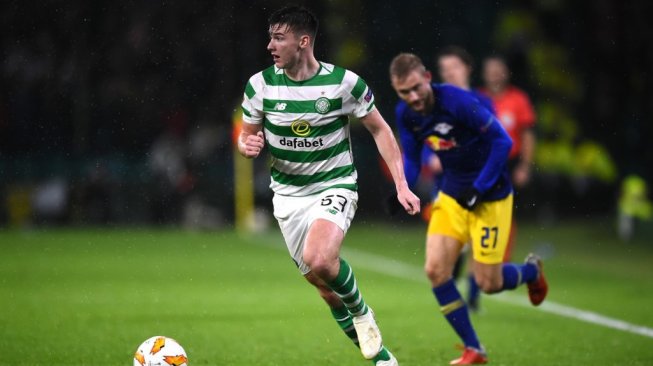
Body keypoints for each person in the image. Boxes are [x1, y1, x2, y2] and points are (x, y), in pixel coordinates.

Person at [238, 6, 420, 366]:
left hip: (333, 184)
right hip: (288, 196)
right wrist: (248, 146)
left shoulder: (344, 83)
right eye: (270, 36)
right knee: (324, 287)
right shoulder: (259, 86)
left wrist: (401, 184)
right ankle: (383, 359)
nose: (270, 45)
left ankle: (362, 310)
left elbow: (380, 129)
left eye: (279, 37)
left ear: (303, 41)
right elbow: (246, 138)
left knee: (320, 258)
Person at [388, 52, 548, 365]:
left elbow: (502, 142)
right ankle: (474, 348)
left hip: (491, 197)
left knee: (489, 283)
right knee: (435, 270)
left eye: (416, 88)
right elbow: (412, 156)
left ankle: (531, 272)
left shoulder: (459, 102)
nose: (413, 97)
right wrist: (402, 188)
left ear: (427, 79)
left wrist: (481, 187)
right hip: (451, 197)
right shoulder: (406, 114)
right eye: (403, 92)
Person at [436, 46, 495, 312]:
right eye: (445, 69)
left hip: (481, 182)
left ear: (468, 68)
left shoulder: (484, 102)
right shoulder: (437, 103)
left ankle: (472, 298)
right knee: (454, 246)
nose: (449, 73)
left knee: (476, 243)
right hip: (449, 183)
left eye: (454, 67)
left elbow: (496, 140)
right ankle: (454, 286)